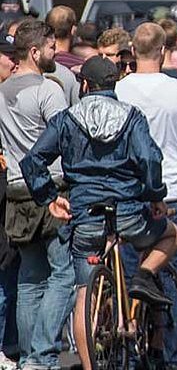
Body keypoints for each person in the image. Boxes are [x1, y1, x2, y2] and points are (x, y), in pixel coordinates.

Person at [20, 56, 177, 370]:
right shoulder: (131, 117)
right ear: (114, 84)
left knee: (84, 293)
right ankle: (143, 277)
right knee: (171, 234)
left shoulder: (66, 119)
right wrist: (154, 195)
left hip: (86, 215)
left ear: (85, 85)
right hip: (129, 211)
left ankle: (91, 365)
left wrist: (49, 196)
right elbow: (150, 159)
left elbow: (33, 161)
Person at [114, 22, 177, 369]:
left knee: (131, 275)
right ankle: (174, 355)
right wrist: (176, 150)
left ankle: (131, 348)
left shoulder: (120, 90)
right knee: (171, 276)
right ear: (164, 52)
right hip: (172, 192)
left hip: (128, 191)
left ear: (132, 52)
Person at [0, 20, 73, 370]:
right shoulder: (49, 91)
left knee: (29, 277)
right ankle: (43, 354)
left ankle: (29, 357)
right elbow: (64, 139)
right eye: (50, 47)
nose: (54, 51)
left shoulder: (2, 91)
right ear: (34, 51)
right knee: (63, 274)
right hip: (50, 189)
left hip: (16, 190)